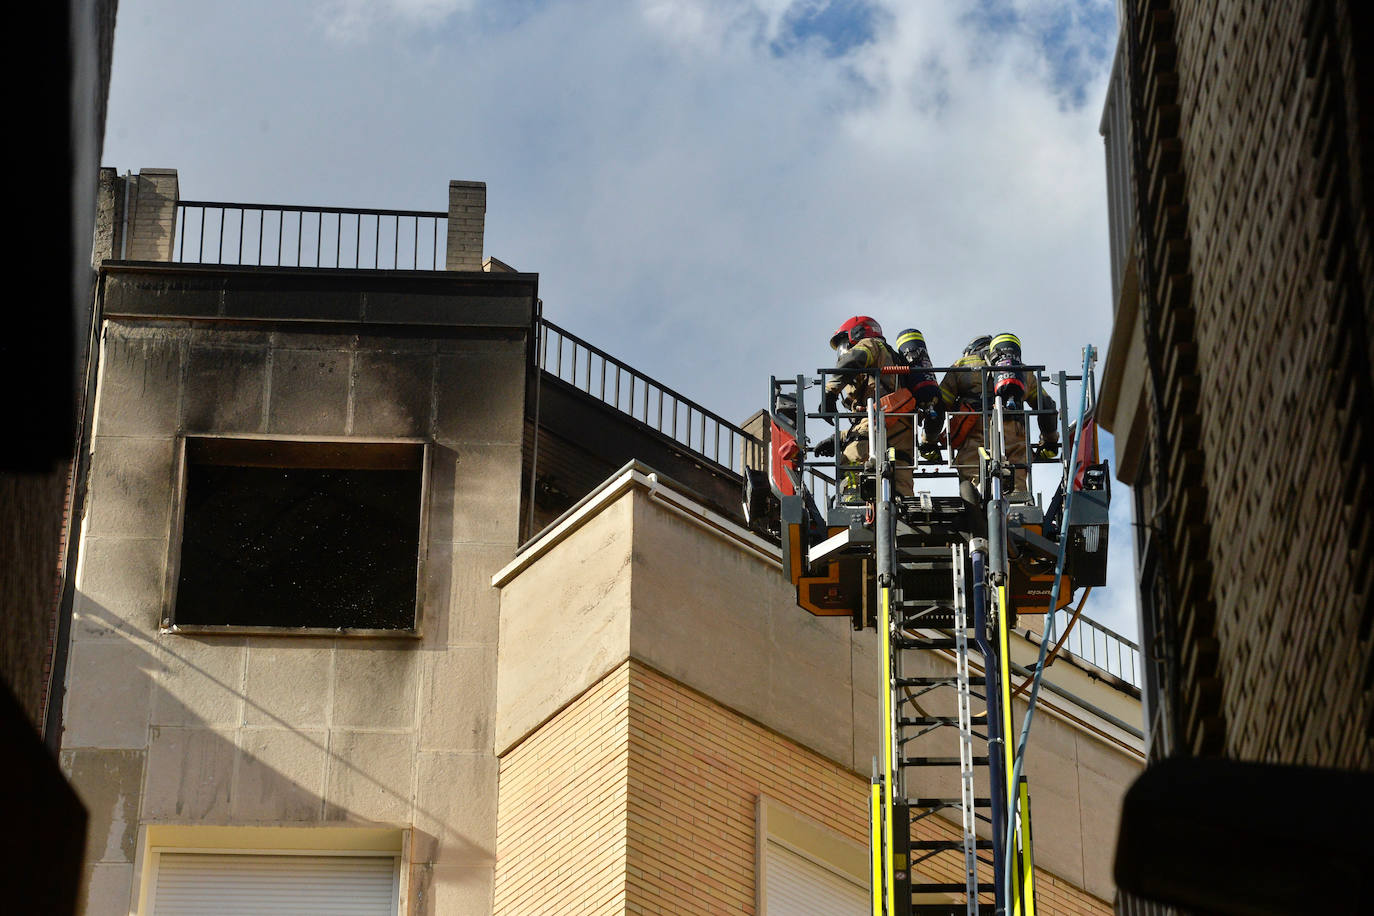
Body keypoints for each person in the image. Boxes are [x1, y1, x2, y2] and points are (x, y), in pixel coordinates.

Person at [938, 332, 1059, 502]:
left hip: (975, 432)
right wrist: (1050, 441)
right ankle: (1018, 503)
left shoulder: (961, 365)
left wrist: (928, 440)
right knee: (1017, 477)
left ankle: (978, 503)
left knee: (974, 476)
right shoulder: (1022, 370)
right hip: (1013, 433)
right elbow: (1047, 406)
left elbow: (939, 404)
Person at [817, 316, 917, 502]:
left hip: (879, 417)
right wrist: (836, 438)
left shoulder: (870, 344)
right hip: (901, 423)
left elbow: (854, 359)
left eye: (843, 345)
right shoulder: (892, 357)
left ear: (856, 335)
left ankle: (853, 503)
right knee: (900, 473)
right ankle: (901, 512)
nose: (843, 351)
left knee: (851, 458)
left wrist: (830, 392)